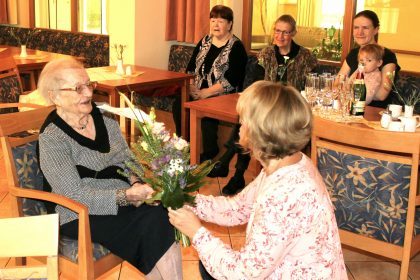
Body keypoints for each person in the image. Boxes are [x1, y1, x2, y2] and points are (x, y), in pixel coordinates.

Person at [169, 81, 347, 280]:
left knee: (212, 264)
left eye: (243, 121)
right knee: (209, 264)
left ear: (261, 132)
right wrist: (188, 201)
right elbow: (237, 208)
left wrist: (197, 232)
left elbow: (243, 275)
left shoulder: (284, 196)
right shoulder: (289, 162)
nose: (240, 127)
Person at [37, 58, 182, 279]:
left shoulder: (102, 116)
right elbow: (74, 195)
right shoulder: (52, 138)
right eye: (78, 88)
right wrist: (125, 195)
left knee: (161, 214)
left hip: (122, 196)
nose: (87, 94)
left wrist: (135, 182)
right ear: (54, 96)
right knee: (152, 222)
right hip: (77, 213)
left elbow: (127, 158)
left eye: (89, 85)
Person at [209, 14, 318, 196]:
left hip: (290, 109)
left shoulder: (306, 57)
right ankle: (236, 175)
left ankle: (228, 164)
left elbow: (311, 86)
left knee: (252, 123)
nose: (280, 36)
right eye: (277, 31)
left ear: (293, 33)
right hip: (268, 106)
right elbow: (256, 82)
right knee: (249, 121)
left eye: (285, 32)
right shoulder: (266, 54)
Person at [172, 4, 247, 162]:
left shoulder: (236, 46)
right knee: (179, 103)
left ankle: (210, 151)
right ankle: (185, 146)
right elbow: (191, 67)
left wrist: (207, 92)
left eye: (220, 21)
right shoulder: (205, 41)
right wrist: (192, 87)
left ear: (230, 24)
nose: (216, 25)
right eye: (213, 21)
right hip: (197, 89)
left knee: (207, 107)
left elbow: (233, 79)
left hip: (221, 93)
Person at [336, 9, 400, 108]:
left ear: (376, 30)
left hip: (374, 113)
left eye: (365, 28)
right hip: (349, 108)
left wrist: (349, 90)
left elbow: (382, 94)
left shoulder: (387, 56)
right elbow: (337, 84)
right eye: (356, 27)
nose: (359, 32)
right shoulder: (353, 54)